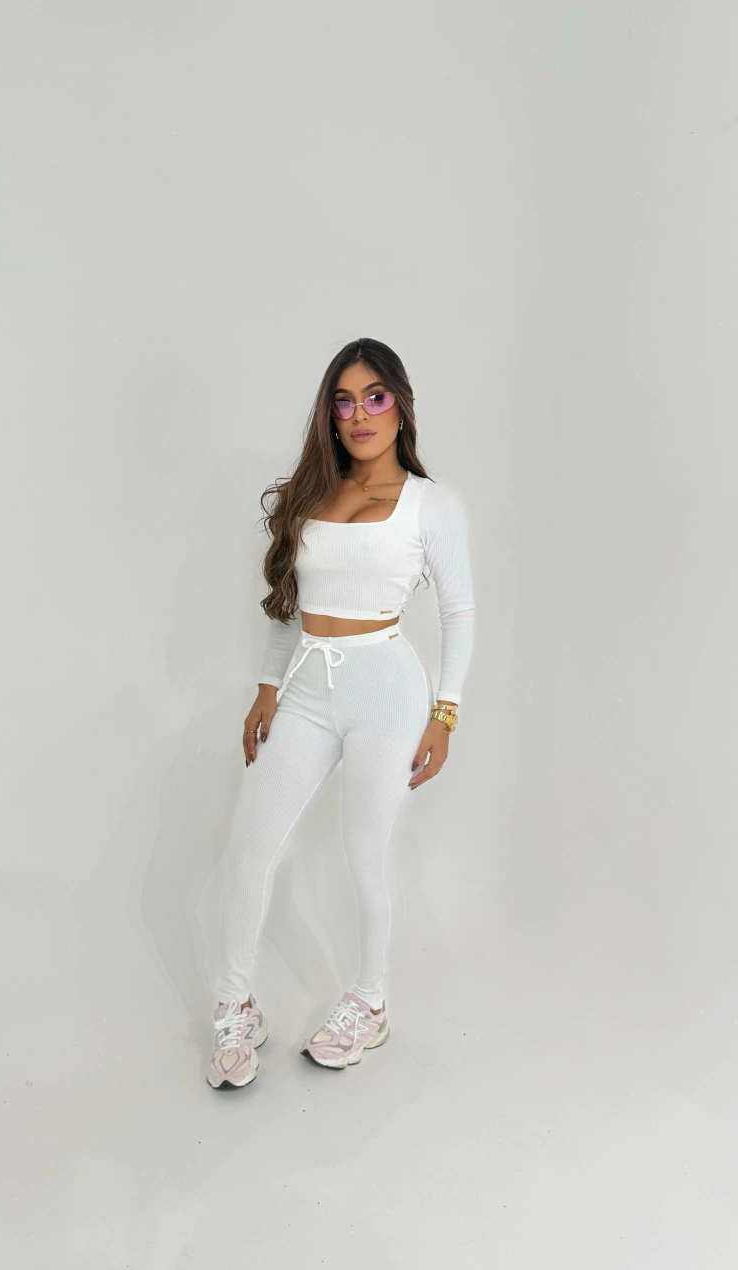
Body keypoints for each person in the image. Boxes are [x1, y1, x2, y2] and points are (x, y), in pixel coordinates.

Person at [207, 337, 475, 1090]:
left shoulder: (430, 504)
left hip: (388, 690)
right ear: (330, 412)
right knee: (249, 849)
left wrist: (445, 714)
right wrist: (267, 684)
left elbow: (459, 611)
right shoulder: (313, 493)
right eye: (345, 400)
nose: (359, 414)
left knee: (365, 854)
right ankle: (235, 1004)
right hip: (308, 688)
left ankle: (371, 1001)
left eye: (375, 398)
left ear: (401, 407)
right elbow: (288, 604)